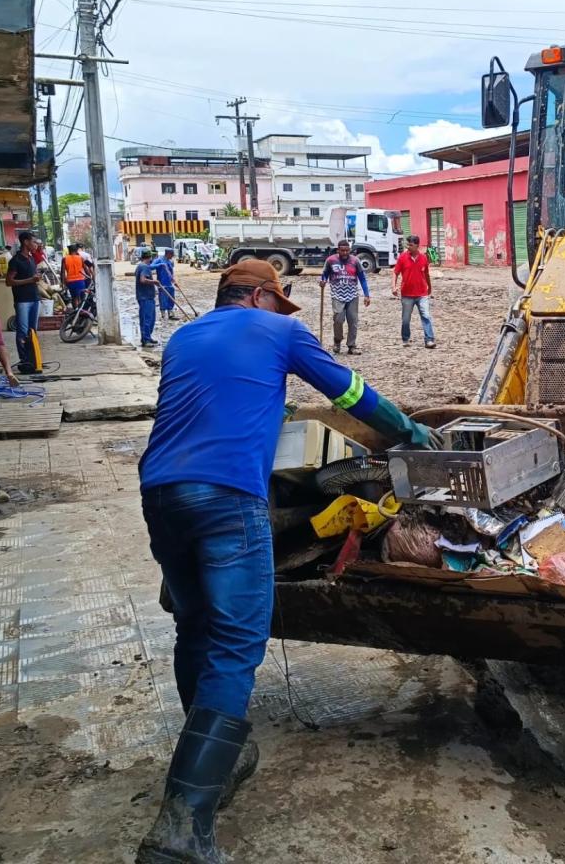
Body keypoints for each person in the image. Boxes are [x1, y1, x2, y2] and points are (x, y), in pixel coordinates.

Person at [135, 260, 438, 864]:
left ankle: (218, 764)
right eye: (279, 300)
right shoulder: (281, 331)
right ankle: (182, 829)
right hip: (227, 499)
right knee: (235, 644)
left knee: (194, 625)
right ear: (256, 297)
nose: (283, 311)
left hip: (160, 494)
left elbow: (221, 404)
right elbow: (350, 394)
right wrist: (409, 430)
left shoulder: (183, 338)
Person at [319, 238, 370, 355]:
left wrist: (367, 295)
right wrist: (323, 281)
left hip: (352, 295)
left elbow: (362, 278)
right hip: (337, 295)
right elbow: (324, 274)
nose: (345, 253)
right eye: (343, 251)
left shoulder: (355, 261)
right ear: (338, 250)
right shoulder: (331, 260)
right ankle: (337, 341)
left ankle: (351, 346)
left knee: (353, 321)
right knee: (338, 319)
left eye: (347, 250)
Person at [5, 231, 42, 374]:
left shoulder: (31, 258)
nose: (35, 244)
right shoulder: (16, 260)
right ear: (26, 242)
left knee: (33, 331)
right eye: (33, 241)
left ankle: (33, 359)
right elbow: (9, 282)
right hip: (22, 300)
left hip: (34, 298)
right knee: (22, 331)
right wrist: (30, 280)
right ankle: (24, 360)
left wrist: (35, 278)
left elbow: (33, 275)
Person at [391, 234, 436, 349]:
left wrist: (429, 287)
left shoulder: (423, 258)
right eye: (407, 245)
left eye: (410, 245)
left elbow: (426, 274)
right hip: (407, 294)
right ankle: (405, 338)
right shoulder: (402, 258)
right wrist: (393, 286)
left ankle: (429, 339)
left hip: (422, 293)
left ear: (417, 246)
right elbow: (395, 273)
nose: (408, 247)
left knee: (426, 316)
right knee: (406, 319)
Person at [135, 251, 160, 348]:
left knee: (149, 319)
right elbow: (142, 280)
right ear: (149, 257)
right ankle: (146, 340)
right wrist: (154, 281)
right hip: (145, 297)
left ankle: (147, 337)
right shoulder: (144, 267)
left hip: (146, 296)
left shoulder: (140, 266)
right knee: (147, 319)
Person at [61, 244, 88, 308]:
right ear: (76, 250)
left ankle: (75, 311)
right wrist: (89, 276)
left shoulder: (65, 259)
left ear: (69, 251)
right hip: (80, 281)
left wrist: (63, 283)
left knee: (74, 298)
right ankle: (81, 310)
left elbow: (62, 272)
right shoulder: (80, 258)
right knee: (82, 297)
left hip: (70, 282)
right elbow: (85, 269)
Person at [155, 249, 177, 321]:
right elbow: (151, 266)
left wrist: (173, 281)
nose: (172, 256)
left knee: (172, 298)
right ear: (168, 254)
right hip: (162, 284)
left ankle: (170, 313)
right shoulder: (159, 260)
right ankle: (163, 314)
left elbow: (171, 272)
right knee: (163, 299)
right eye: (172, 254)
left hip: (169, 283)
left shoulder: (170, 261)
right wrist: (160, 265)